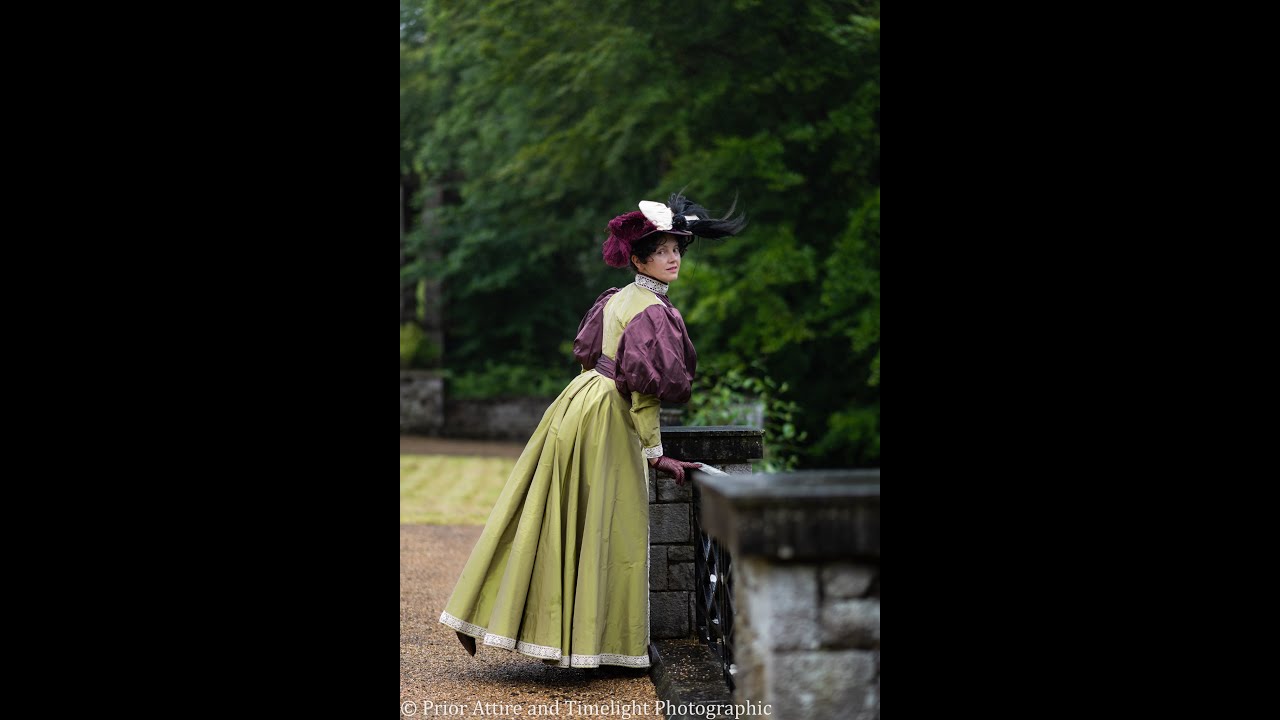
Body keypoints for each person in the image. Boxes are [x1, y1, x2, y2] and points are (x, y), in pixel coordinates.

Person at [438, 192, 746, 669]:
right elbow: (645, 396)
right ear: (639, 259)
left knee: (552, 516)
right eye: (661, 250)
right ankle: (579, 644)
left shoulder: (619, 299)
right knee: (606, 527)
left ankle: (514, 624)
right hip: (607, 415)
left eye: (676, 250)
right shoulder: (653, 311)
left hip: (577, 403)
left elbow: (590, 355)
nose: (672, 259)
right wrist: (655, 453)